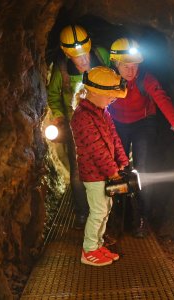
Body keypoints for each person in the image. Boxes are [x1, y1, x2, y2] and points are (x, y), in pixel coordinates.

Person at [108, 38, 174, 238]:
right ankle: (115, 216)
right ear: (115, 64)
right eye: (126, 66)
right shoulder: (108, 79)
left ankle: (142, 219)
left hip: (142, 124)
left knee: (143, 170)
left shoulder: (146, 79)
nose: (131, 70)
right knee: (115, 168)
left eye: (135, 65)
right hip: (117, 123)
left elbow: (162, 99)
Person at [47, 25, 110, 229]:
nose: (83, 60)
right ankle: (83, 212)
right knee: (77, 172)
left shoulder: (101, 56)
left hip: (103, 123)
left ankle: (106, 211)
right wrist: (58, 116)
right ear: (67, 55)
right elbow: (53, 96)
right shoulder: (63, 71)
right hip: (77, 128)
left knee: (107, 167)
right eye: (77, 57)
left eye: (84, 54)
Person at [70, 66, 129, 266]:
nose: (113, 99)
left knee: (105, 208)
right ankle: (89, 251)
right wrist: (112, 171)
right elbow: (97, 150)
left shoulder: (103, 112)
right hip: (94, 175)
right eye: (109, 95)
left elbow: (114, 138)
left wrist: (123, 161)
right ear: (94, 92)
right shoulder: (82, 116)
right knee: (98, 211)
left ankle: (98, 244)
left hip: (105, 173)